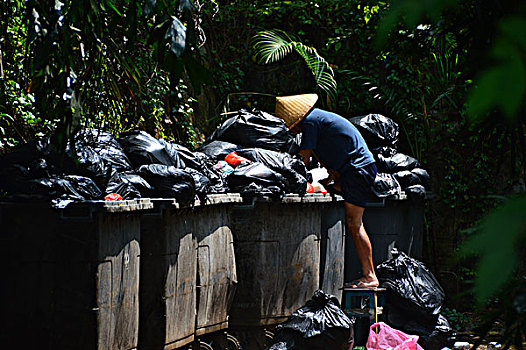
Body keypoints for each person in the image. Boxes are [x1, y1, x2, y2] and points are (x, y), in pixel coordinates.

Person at [275, 93, 379, 288]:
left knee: (354, 223)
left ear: (296, 120)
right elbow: (323, 153)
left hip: (357, 169)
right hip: (348, 171)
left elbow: (303, 159)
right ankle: (368, 274)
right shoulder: (318, 120)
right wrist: (330, 179)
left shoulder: (310, 122)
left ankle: (370, 275)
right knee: (342, 205)